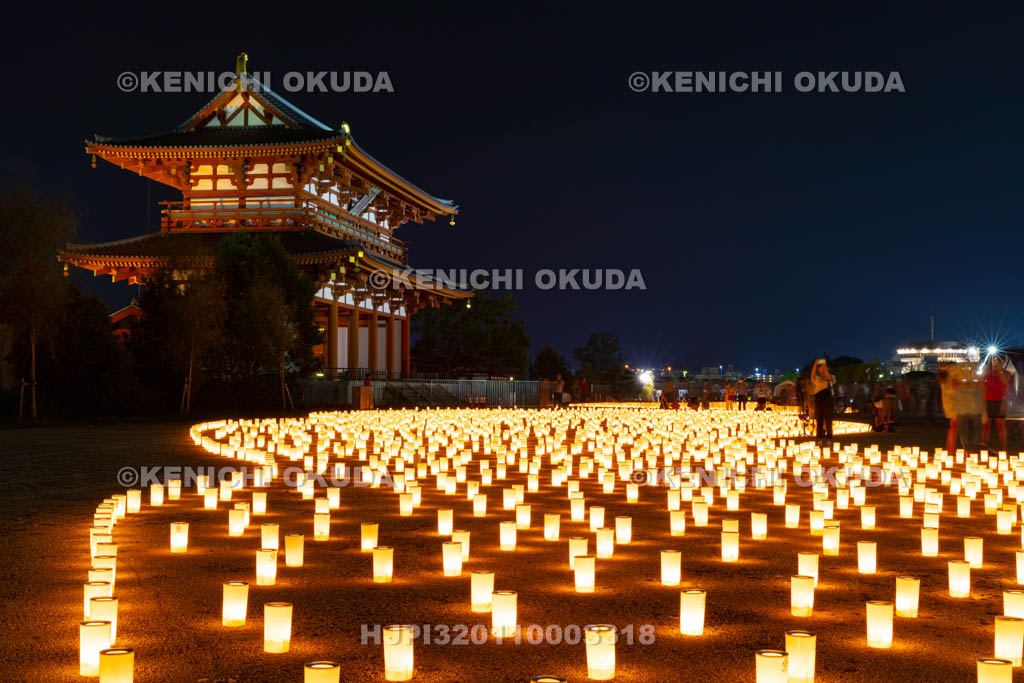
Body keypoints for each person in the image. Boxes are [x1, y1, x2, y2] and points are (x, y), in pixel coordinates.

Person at [982, 355, 1011, 450]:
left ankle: (1003, 448)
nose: (997, 362)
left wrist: (998, 370)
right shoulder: (988, 372)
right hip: (988, 400)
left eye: (999, 361)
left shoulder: (1006, 373)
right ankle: (983, 446)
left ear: (1003, 362)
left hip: (1000, 401)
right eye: (995, 360)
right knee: (986, 426)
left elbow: (1004, 381)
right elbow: (983, 379)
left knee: (1001, 426)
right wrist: (989, 363)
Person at [810, 358, 835, 443]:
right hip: (819, 399)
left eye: (825, 367)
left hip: (828, 399)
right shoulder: (816, 378)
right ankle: (819, 439)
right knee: (819, 420)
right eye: (821, 367)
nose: (823, 368)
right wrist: (815, 364)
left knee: (828, 420)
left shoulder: (832, 377)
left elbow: (829, 378)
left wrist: (825, 370)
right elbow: (812, 375)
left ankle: (829, 439)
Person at [937, 364, 959, 454]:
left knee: (952, 426)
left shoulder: (942, 378)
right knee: (954, 427)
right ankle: (951, 450)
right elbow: (955, 387)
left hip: (948, 404)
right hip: (954, 402)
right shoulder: (951, 377)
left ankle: (949, 448)